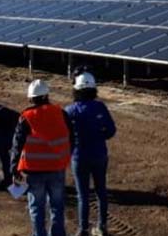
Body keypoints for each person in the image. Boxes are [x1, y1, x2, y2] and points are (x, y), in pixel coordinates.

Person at [11, 79, 73, 236]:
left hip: (33, 170)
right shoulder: (61, 113)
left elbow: (17, 144)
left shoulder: (26, 117)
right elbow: (72, 138)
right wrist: (66, 157)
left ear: (31, 98)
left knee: (37, 208)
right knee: (57, 206)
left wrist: (13, 167)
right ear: (47, 95)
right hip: (57, 168)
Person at [65, 72, 117, 236]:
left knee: (83, 195)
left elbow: (64, 135)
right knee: (101, 191)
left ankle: (83, 229)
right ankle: (102, 227)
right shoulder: (100, 107)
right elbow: (111, 131)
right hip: (99, 154)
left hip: (79, 157)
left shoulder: (70, 111)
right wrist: (99, 135)